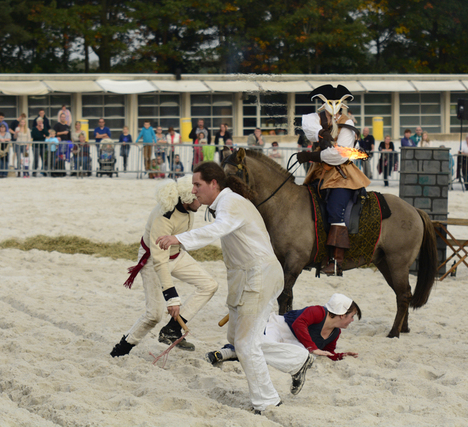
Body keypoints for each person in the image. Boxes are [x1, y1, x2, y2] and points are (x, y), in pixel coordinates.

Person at [156, 162, 314, 413]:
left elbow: (218, 229)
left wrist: (179, 239)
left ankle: (268, 401)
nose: (194, 190)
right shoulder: (226, 203)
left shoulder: (231, 203)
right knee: (237, 340)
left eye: (198, 185)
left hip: (259, 276)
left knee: (244, 344)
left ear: (214, 184)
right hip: (247, 278)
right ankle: (298, 360)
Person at [111, 177, 219, 357]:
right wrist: (172, 297)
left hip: (177, 255)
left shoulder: (188, 206)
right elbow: (160, 260)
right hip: (153, 260)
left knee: (210, 285)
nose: (200, 202)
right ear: (185, 199)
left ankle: (171, 330)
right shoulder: (165, 216)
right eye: (197, 199)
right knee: (153, 315)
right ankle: (121, 350)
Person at [295, 85, 371, 276]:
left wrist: (313, 157)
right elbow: (309, 126)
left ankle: (336, 262)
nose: (331, 111)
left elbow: (341, 155)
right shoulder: (318, 119)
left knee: (335, 210)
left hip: (341, 175)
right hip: (319, 174)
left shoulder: (347, 126)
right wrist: (321, 134)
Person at [207, 293, 360, 365]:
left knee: (282, 355)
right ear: (341, 314)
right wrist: (313, 348)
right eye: (351, 316)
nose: (352, 320)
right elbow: (298, 324)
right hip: (279, 328)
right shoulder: (318, 312)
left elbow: (328, 354)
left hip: (294, 344)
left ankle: (228, 354)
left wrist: (341, 355)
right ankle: (227, 352)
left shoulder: (335, 333)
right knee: (261, 345)